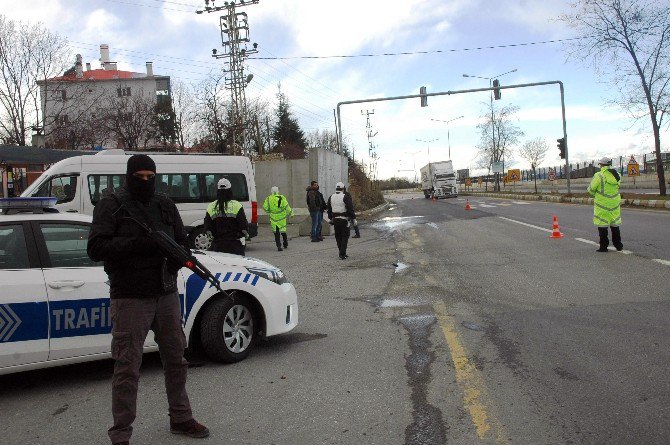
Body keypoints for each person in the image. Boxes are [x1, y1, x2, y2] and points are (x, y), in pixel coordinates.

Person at [87, 154, 209, 445]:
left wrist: (177, 258)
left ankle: (181, 417)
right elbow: (96, 247)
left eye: (150, 176)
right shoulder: (112, 205)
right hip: (130, 297)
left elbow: (181, 240)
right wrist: (138, 245)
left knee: (177, 360)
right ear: (129, 176)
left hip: (165, 292)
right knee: (127, 367)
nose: (145, 181)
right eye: (139, 176)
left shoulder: (164, 204)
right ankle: (120, 435)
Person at [204, 178, 249, 255]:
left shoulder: (211, 206)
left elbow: (207, 227)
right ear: (230, 190)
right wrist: (246, 234)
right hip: (235, 245)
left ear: (217, 191)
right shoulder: (237, 205)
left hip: (218, 245)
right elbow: (243, 225)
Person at [587, 157, 623, 252]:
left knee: (602, 225)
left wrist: (596, 194)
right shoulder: (617, 175)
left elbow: (590, 189)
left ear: (601, 165)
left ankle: (603, 246)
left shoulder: (599, 175)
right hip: (614, 204)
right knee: (615, 225)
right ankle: (618, 245)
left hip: (602, 204)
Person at [327, 181, 356, 260]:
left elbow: (329, 209)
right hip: (344, 219)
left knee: (338, 236)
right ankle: (342, 253)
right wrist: (353, 218)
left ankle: (341, 252)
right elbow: (350, 208)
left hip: (335, 220)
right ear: (343, 189)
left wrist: (331, 218)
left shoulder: (331, 197)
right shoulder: (345, 196)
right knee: (345, 236)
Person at [263, 185, 293, 251]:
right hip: (281, 218)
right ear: (278, 191)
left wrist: (270, 211)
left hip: (273, 218)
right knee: (283, 231)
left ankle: (279, 246)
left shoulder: (268, 198)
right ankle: (285, 243)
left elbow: (265, 207)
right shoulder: (282, 198)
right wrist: (291, 213)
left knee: (276, 233)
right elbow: (287, 206)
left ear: (271, 191)